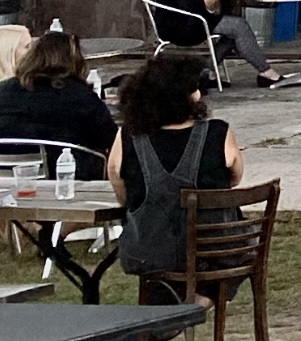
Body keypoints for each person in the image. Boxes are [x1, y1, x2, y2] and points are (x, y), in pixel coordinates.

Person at [110, 51, 242, 292]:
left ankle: (171, 315)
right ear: (190, 96)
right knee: (227, 254)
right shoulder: (218, 133)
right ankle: (195, 304)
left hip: (149, 251)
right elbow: (234, 179)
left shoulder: (128, 136)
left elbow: (120, 188)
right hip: (214, 252)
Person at [0, 28, 115, 162]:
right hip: (67, 175)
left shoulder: (3, 90)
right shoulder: (80, 96)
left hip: (5, 174)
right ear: (75, 61)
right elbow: (109, 139)